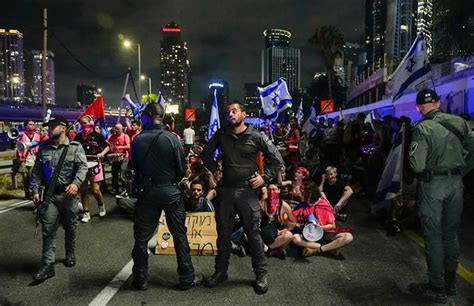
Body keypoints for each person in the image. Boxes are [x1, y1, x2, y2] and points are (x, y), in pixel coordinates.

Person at [202, 101, 284, 294]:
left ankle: (260, 275)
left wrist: (264, 178)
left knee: (254, 236)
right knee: (223, 236)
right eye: (227, 111)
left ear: (243, 114)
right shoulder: (222, 134)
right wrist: (215, 169)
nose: (230, 114)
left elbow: (277, 160)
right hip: (225, 192)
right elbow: (206, 153)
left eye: (234, 111)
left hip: (247, 193)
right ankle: (220, 272)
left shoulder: (256, 136)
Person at [407, 89, 474, 303]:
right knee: (450, 234)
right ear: (437, 102)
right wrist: (459, 172)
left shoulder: (423, 128)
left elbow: (417, 166)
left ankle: (437, 287)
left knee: (434, 236)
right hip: (456, 185)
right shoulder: (460, 122)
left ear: (418, 107)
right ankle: (451, 284)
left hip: (433, 186)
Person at [130, 102, 202, 291]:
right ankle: (186, 278)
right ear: (161, 116)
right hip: (170, 192)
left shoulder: (137, 140)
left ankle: (140, 279)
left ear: (149, 115)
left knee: (141, 238)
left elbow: (134, 169)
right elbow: (181, 171)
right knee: (179, 235)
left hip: (147, 192)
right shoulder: (172, 139)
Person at [30, 116, 88, 281]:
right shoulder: (44, 148)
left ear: (63, 128)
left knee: (70, 226)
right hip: (50, 195)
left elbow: (82, 167)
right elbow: (37, 171)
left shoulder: (75, 148)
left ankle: (70, 252)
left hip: (68, 195)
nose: (49, 129)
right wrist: (34, 189)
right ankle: (48, 265)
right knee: (48, 229)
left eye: (53, 126)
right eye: (49, 126)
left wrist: (76, 184)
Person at [291, 182, 353, 258]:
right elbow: (293, 220)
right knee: (295, 239)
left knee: (348, 237)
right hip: (307, 235)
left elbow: (332, 226)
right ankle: (329, 247)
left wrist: (317, 227)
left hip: (322, 234)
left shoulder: (323, 205)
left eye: (305, 194)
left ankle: (317, 250)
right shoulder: (302, 205)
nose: (303, 195)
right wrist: (302, 225)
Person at [74, 115, 108, 223]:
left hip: (95, 164)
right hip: (82, 165)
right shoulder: (78, 136)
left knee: (95, 190)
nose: (83, 126)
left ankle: (101, 204)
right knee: (83, 190)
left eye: (84, 123)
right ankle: (86, 212)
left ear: (90, 123)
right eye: (81, 123)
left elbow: (108, 146)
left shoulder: (98, 136)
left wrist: (101, 153)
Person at [12, 120, 41, 199]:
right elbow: (18, 146)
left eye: (33, 124)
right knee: (25, 178)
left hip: (34, 159)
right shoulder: (21, 134)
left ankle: (33, 192)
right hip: (24, 159)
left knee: (32, 177)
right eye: (29, 124)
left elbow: (39, 144)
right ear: (26, 125)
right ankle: (27, 193)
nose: (31, 126)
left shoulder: (37, 135)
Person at [107, 123, 131, 194]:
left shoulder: (125, 136)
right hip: (115, 158)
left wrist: (119, 147)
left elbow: (128, 146)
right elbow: (108, 142)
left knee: (122, 174)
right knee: (114, 174)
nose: (116, 130)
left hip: (124, 158)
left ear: (121, 129)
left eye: (118, 129)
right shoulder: (112, 136)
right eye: (115, 128)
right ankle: (115, 189)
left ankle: (124, 189)